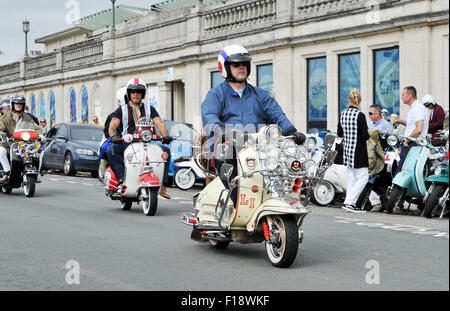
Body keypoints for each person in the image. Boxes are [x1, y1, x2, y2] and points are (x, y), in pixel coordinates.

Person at [201, 44, 305, 208]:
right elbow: (210, 118)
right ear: (225, 68)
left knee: (288, 163)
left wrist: (291, 131)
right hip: (230, 147)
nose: (241, 67)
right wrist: (221, 131)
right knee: (226, 155)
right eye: (236, 64)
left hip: (260, 147)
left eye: (244, 64)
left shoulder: (260, 95)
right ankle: (237, 204)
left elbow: (277, 114)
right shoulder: (215, 95)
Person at [106, 78, 173, 199]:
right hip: (128, 142)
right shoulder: (121, 109)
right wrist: (114, 136)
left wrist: (165, 136)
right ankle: (121, 179)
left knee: (165, 151)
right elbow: (112, 126)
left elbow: (160, 123)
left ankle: (162, 184)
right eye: (133, 92)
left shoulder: (149, 108)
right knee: (111, 149)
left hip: (146, 141)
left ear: (143, 94)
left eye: (138, 92)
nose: (135, 94)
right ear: (129, 94)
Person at [338, 88, 370, 213]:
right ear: (360, 100)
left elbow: (340, 133)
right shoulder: (360, 115)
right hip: (359, 150)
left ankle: (348, 202)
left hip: (347, 150)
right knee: (363, 178)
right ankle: (350, 202)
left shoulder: (343, 114)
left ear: (349, 100)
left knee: (351, 177)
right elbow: (365, 135)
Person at [0, 95, 41, 183]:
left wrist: (40, 135)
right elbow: (1, 129)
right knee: (1, 151)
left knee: (38, 152)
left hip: (24, 143)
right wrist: (3, 136)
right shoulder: (5, 118)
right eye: (16, 104)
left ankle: (34, 174)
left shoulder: (27, 117)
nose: (19, 105)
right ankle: (6, 173)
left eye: (21, 104)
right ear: (12, 104)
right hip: (8, 143)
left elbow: (35, 127)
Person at [394, 86, 429, 175]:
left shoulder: (417, 108)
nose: (401, 97)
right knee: (407, 173)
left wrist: (406, 141)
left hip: (412, 144)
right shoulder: (417, 108)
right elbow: (414, 125)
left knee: (400, 174)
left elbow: (418, 129)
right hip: (413, 143)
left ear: (409, 95)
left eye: (403, 95)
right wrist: (403, 122)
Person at [367, 104, 393, 212]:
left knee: (385, 175)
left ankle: (383, 202)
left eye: (370, 113)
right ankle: (372, 201)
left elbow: (391, 141)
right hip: (372, 155)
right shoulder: (371, 126)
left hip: (385, 154)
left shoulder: (387, 125)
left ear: (377, 114)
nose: (369, 115)